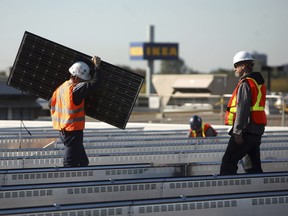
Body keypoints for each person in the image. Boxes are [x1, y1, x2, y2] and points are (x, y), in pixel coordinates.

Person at [49, 56, 102, 167]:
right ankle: (67, 180)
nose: (83, 82)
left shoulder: (60, 89)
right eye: (83, 80)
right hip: (72, 131)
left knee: (83, 162)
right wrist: (97, 67)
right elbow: (94, 84)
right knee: (70, 163)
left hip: (63, 130)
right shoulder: (75, 89)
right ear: (77, 78)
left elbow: (50, 104)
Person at [220, 51, 267, 175]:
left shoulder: (246, 83)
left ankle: (228, 191)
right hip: (257, 130)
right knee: (253, 166)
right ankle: (256, 191)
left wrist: (238, 131)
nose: (235, 69)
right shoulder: (258, 82)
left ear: (244, 66)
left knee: (228, 161)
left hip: (246, 130)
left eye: (236, 65)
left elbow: (243, 108)